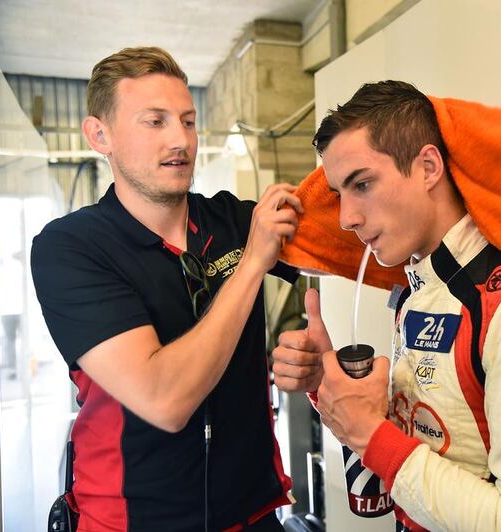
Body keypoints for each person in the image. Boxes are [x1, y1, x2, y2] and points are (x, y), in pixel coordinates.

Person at [273, 81, 501, 531]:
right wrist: (332, 388)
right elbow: (413, 451)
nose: (346, 218)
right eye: (340, 193)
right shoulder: (417, 291)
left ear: (428, 167)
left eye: (363, 184)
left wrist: (367, 433)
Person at [31, 47, 302, 532]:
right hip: (133, 518)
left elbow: (361, 240)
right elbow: (165, 400)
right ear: (100, 135)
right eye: (154, 122)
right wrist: (252, 266)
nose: (181, 140)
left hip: (254, 513)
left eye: (188, 121)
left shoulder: (233, 220)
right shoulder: (70, 248)